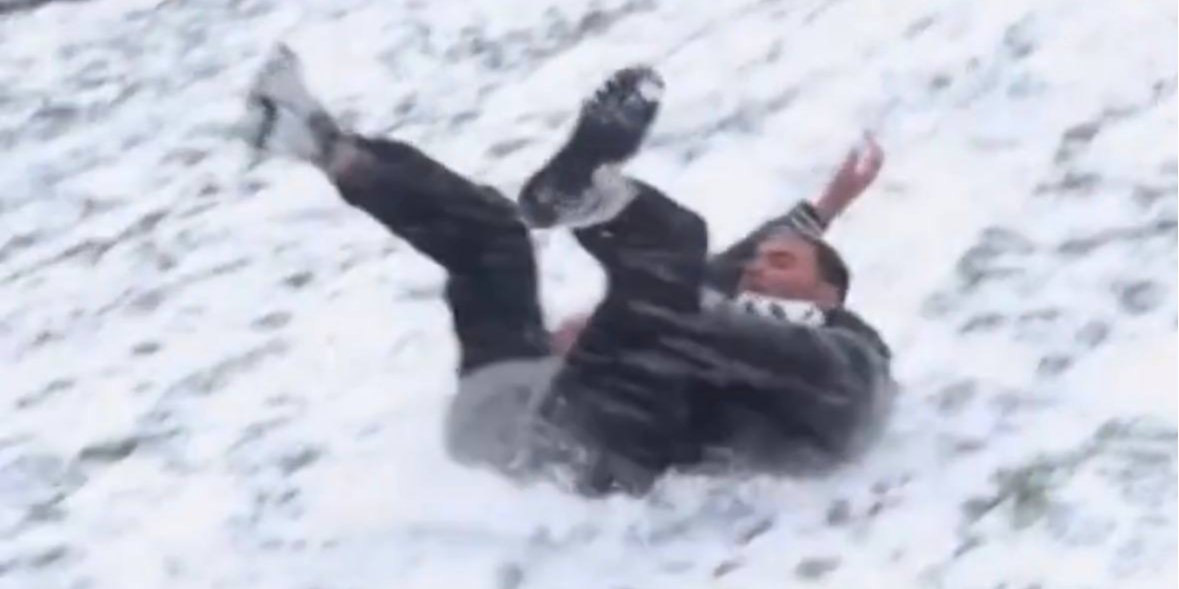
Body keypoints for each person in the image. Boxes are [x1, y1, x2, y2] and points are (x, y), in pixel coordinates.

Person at [240, 46, 895, 495]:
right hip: (512, 406)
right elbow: (732, 274)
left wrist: (637, 329)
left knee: (676, 257)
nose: (755, 267)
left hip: (597, 448)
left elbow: (789, 360)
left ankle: (589, 199)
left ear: (828, 295)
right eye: (757, 261)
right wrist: (826, 205)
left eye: (780, 261)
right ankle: (321, 143)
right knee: (494, 239)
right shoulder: (730, 297)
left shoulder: (846, 359)